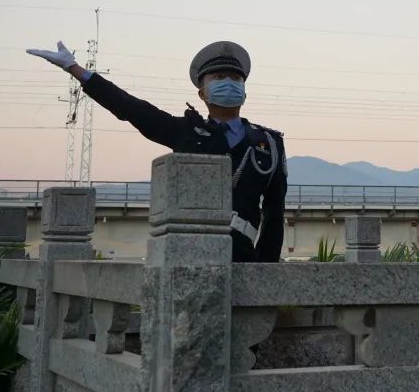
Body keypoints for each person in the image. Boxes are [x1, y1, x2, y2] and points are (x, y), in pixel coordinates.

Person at [26, 40, 287, 263]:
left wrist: (265, 269)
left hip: (244, 256)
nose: (229, 83)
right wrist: (75, 69)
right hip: (190, 253)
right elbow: (130, 107)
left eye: (236, 78)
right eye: (219, 78)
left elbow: (274, 214)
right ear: (202, 92)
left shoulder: (269, 143)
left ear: (244, 91)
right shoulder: (184, 131)